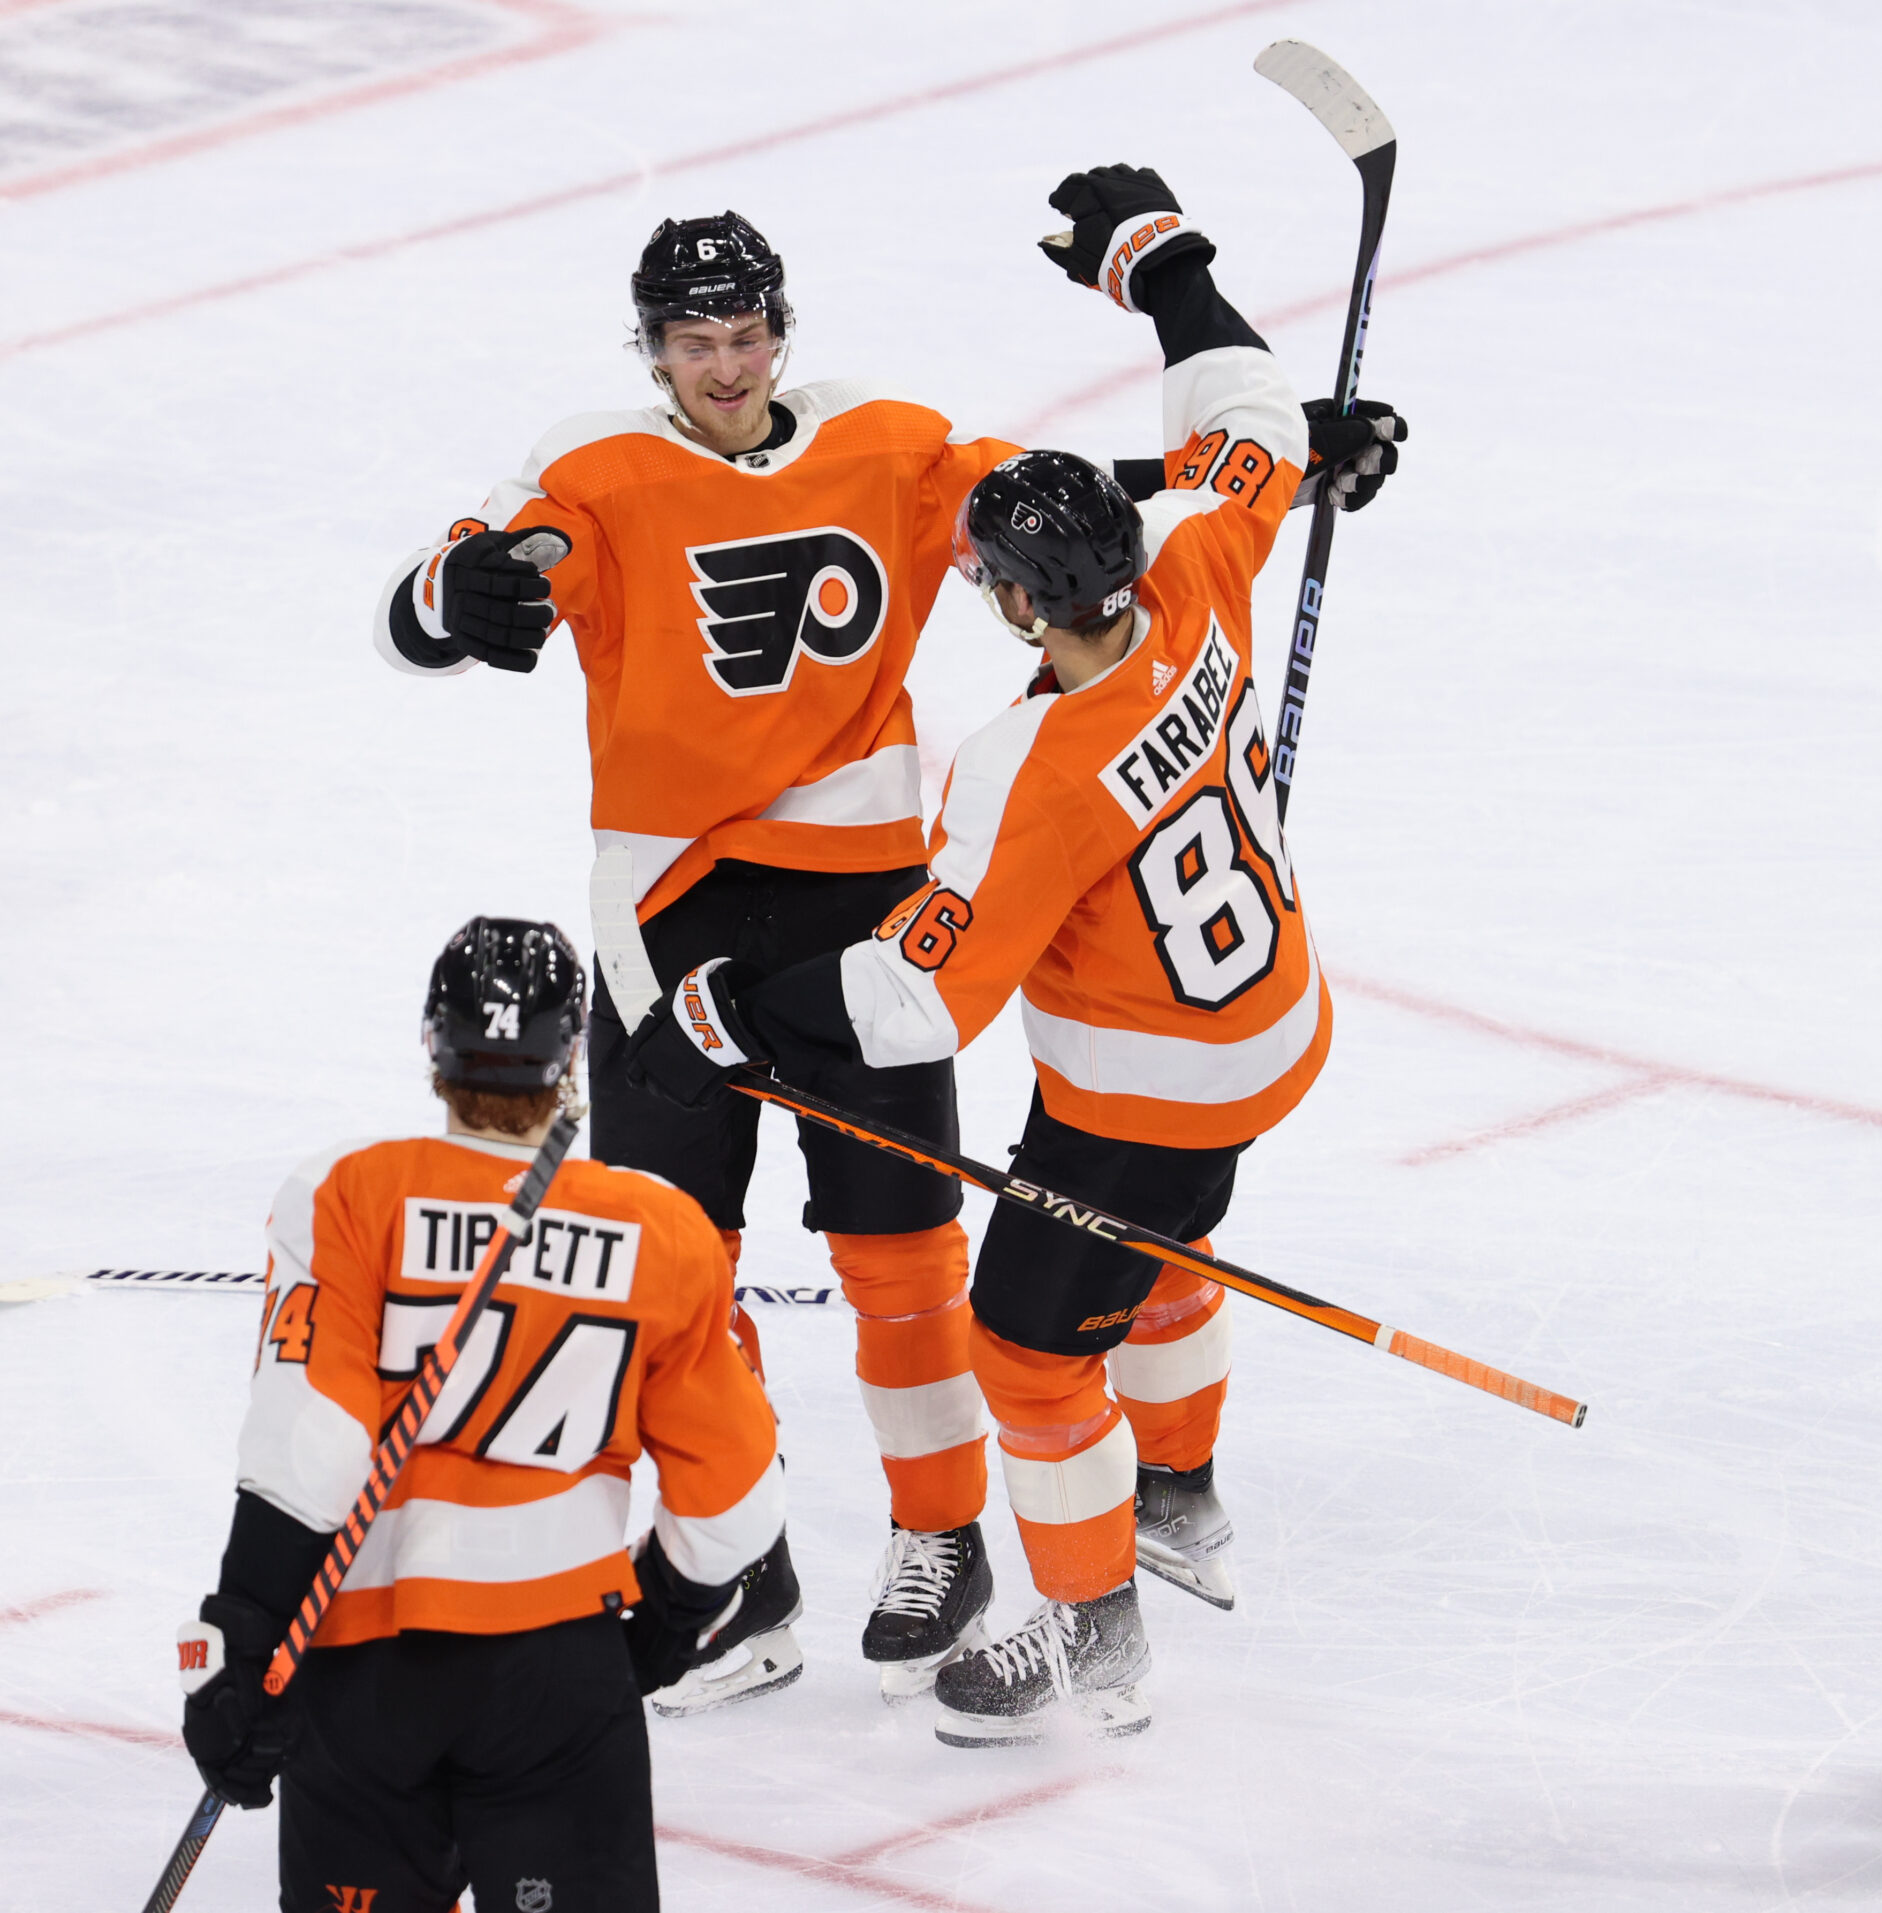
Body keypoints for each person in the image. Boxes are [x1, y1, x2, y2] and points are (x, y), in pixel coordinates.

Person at [370, 205, 1401, 1707]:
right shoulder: (592, 465)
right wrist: (447, 600)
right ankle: (736, 1576)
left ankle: (948, 1541)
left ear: (784, 326)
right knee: (675, 1266)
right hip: (671, 914)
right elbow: (456, 585)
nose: (725, 368)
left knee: (909, 1267)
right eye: (691, 342)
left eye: (745, 334)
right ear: (650, 351)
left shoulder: (896, 449)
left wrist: (1277, 458)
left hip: (864, 895)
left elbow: (1041, 510)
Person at [175, 918, 782, 1910]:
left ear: (431, 1040)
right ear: (572, 1053)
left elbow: (313, 1450)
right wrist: (655, 1633)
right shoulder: (660, 1227)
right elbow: (736, 1503)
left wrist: (242, 1640)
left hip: (367, 1673)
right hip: (558, 1673)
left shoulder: (349, 1191)